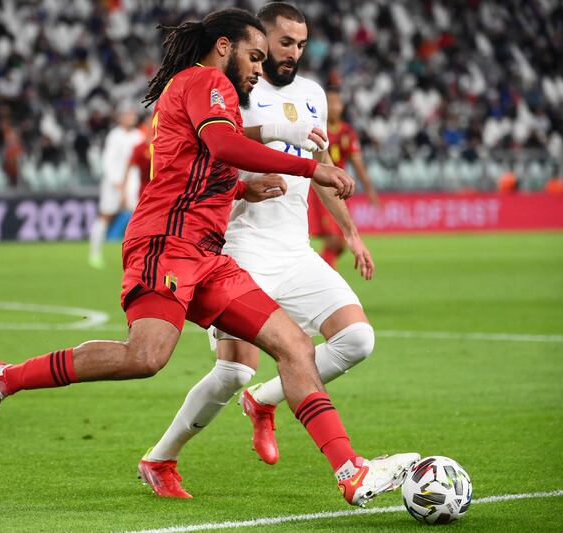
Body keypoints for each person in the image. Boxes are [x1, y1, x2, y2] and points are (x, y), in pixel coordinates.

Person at [0, 8, 404, 508]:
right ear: (224, 47)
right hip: (165, 242)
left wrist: (242, 189)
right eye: (254, 56)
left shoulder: (214, 94)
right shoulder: (204, 79)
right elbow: (219, 143)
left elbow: (194, 162)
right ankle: (0, 377)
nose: (259, 67)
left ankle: (350, 471)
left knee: (294, 345)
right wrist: (307, 168)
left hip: (208, 254)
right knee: (145, 357)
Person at [138, 2, 417, 504]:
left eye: (301, 45)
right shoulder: (235, 84)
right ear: (258, 41)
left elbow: (321, 163)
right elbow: (219, 142)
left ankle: (264, 402)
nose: (292, 53)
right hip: (240, 247)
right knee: (233, 369)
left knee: (357, 340)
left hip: (296, 249)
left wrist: (351, 234)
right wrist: (260, 164)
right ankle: (160, 457)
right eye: (284, 43)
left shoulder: (313, 95)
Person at [308, 88, 379, 268]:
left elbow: (358, 163)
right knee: (333, 240)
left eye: (337, 103)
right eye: (330, 103)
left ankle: (317, 271)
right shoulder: (315, 128)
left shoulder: (347, 132)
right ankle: (322, 278)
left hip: (340, 190)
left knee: (339, 244)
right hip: (320, 189)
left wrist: (369, 190)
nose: (334, 107)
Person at [88, 107, 145, 269]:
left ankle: (138, 257)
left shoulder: (138, 136)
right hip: (113, 183)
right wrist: (117, 183)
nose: (131, 117)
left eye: (132, 114)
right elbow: (108, 161)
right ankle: (94, 253)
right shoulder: (114, 136)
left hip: (133, 182)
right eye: (127, 114)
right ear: (120, 118)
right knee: (106, 216)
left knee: (139, 218)